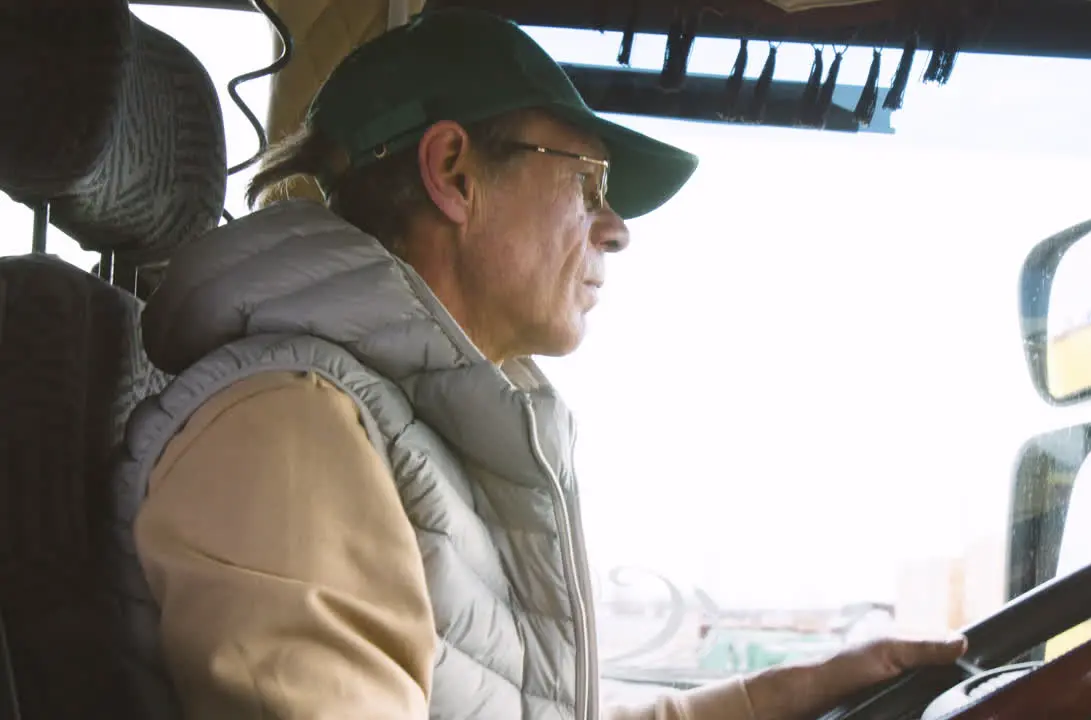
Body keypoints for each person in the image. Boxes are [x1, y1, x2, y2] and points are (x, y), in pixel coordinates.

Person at [123, 8, 966, 720]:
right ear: (454, 173)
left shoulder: (410, 434)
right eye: (589, 183)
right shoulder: (286, 431)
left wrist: (788, 693)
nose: (617, 228)